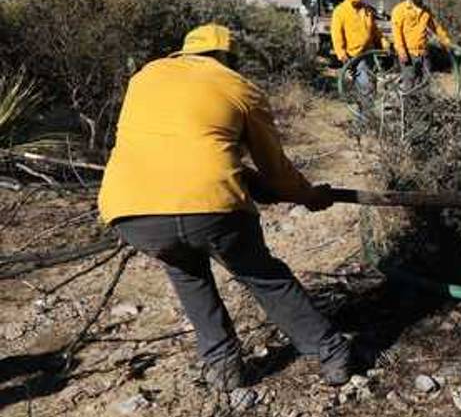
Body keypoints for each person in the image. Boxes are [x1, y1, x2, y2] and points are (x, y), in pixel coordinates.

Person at [97, 24, 354, 391]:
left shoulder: (145, 76)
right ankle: (331, 354)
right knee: (261, 275)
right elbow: (276, 171)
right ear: (225, 57)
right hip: (211, 208)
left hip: (131, 210)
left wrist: (249, 181)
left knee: (186, 272)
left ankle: (223, 368)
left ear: (185, 52)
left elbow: (178, 147)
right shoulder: (238, 87)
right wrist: (308, 195)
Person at [391, 0, 454, 90]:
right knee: (409, 84)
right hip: (408, 54)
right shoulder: (400, 10)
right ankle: (407, 101)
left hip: (423, 53)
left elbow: (436, 28)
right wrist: (401, 51)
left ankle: (421, 101)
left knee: (424, 83)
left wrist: (446, 41)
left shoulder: (426, 11)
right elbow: (397, 32)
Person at [330, 0, 387, 94]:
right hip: (354, 56)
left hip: (369, 53)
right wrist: (341, 54)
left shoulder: (366, 10)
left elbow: (374, 31)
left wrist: (383, 42)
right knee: (366, 85)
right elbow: (337, 36)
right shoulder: (340, 11)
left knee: (371, 83)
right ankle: (367, 104)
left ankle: (366, 104)